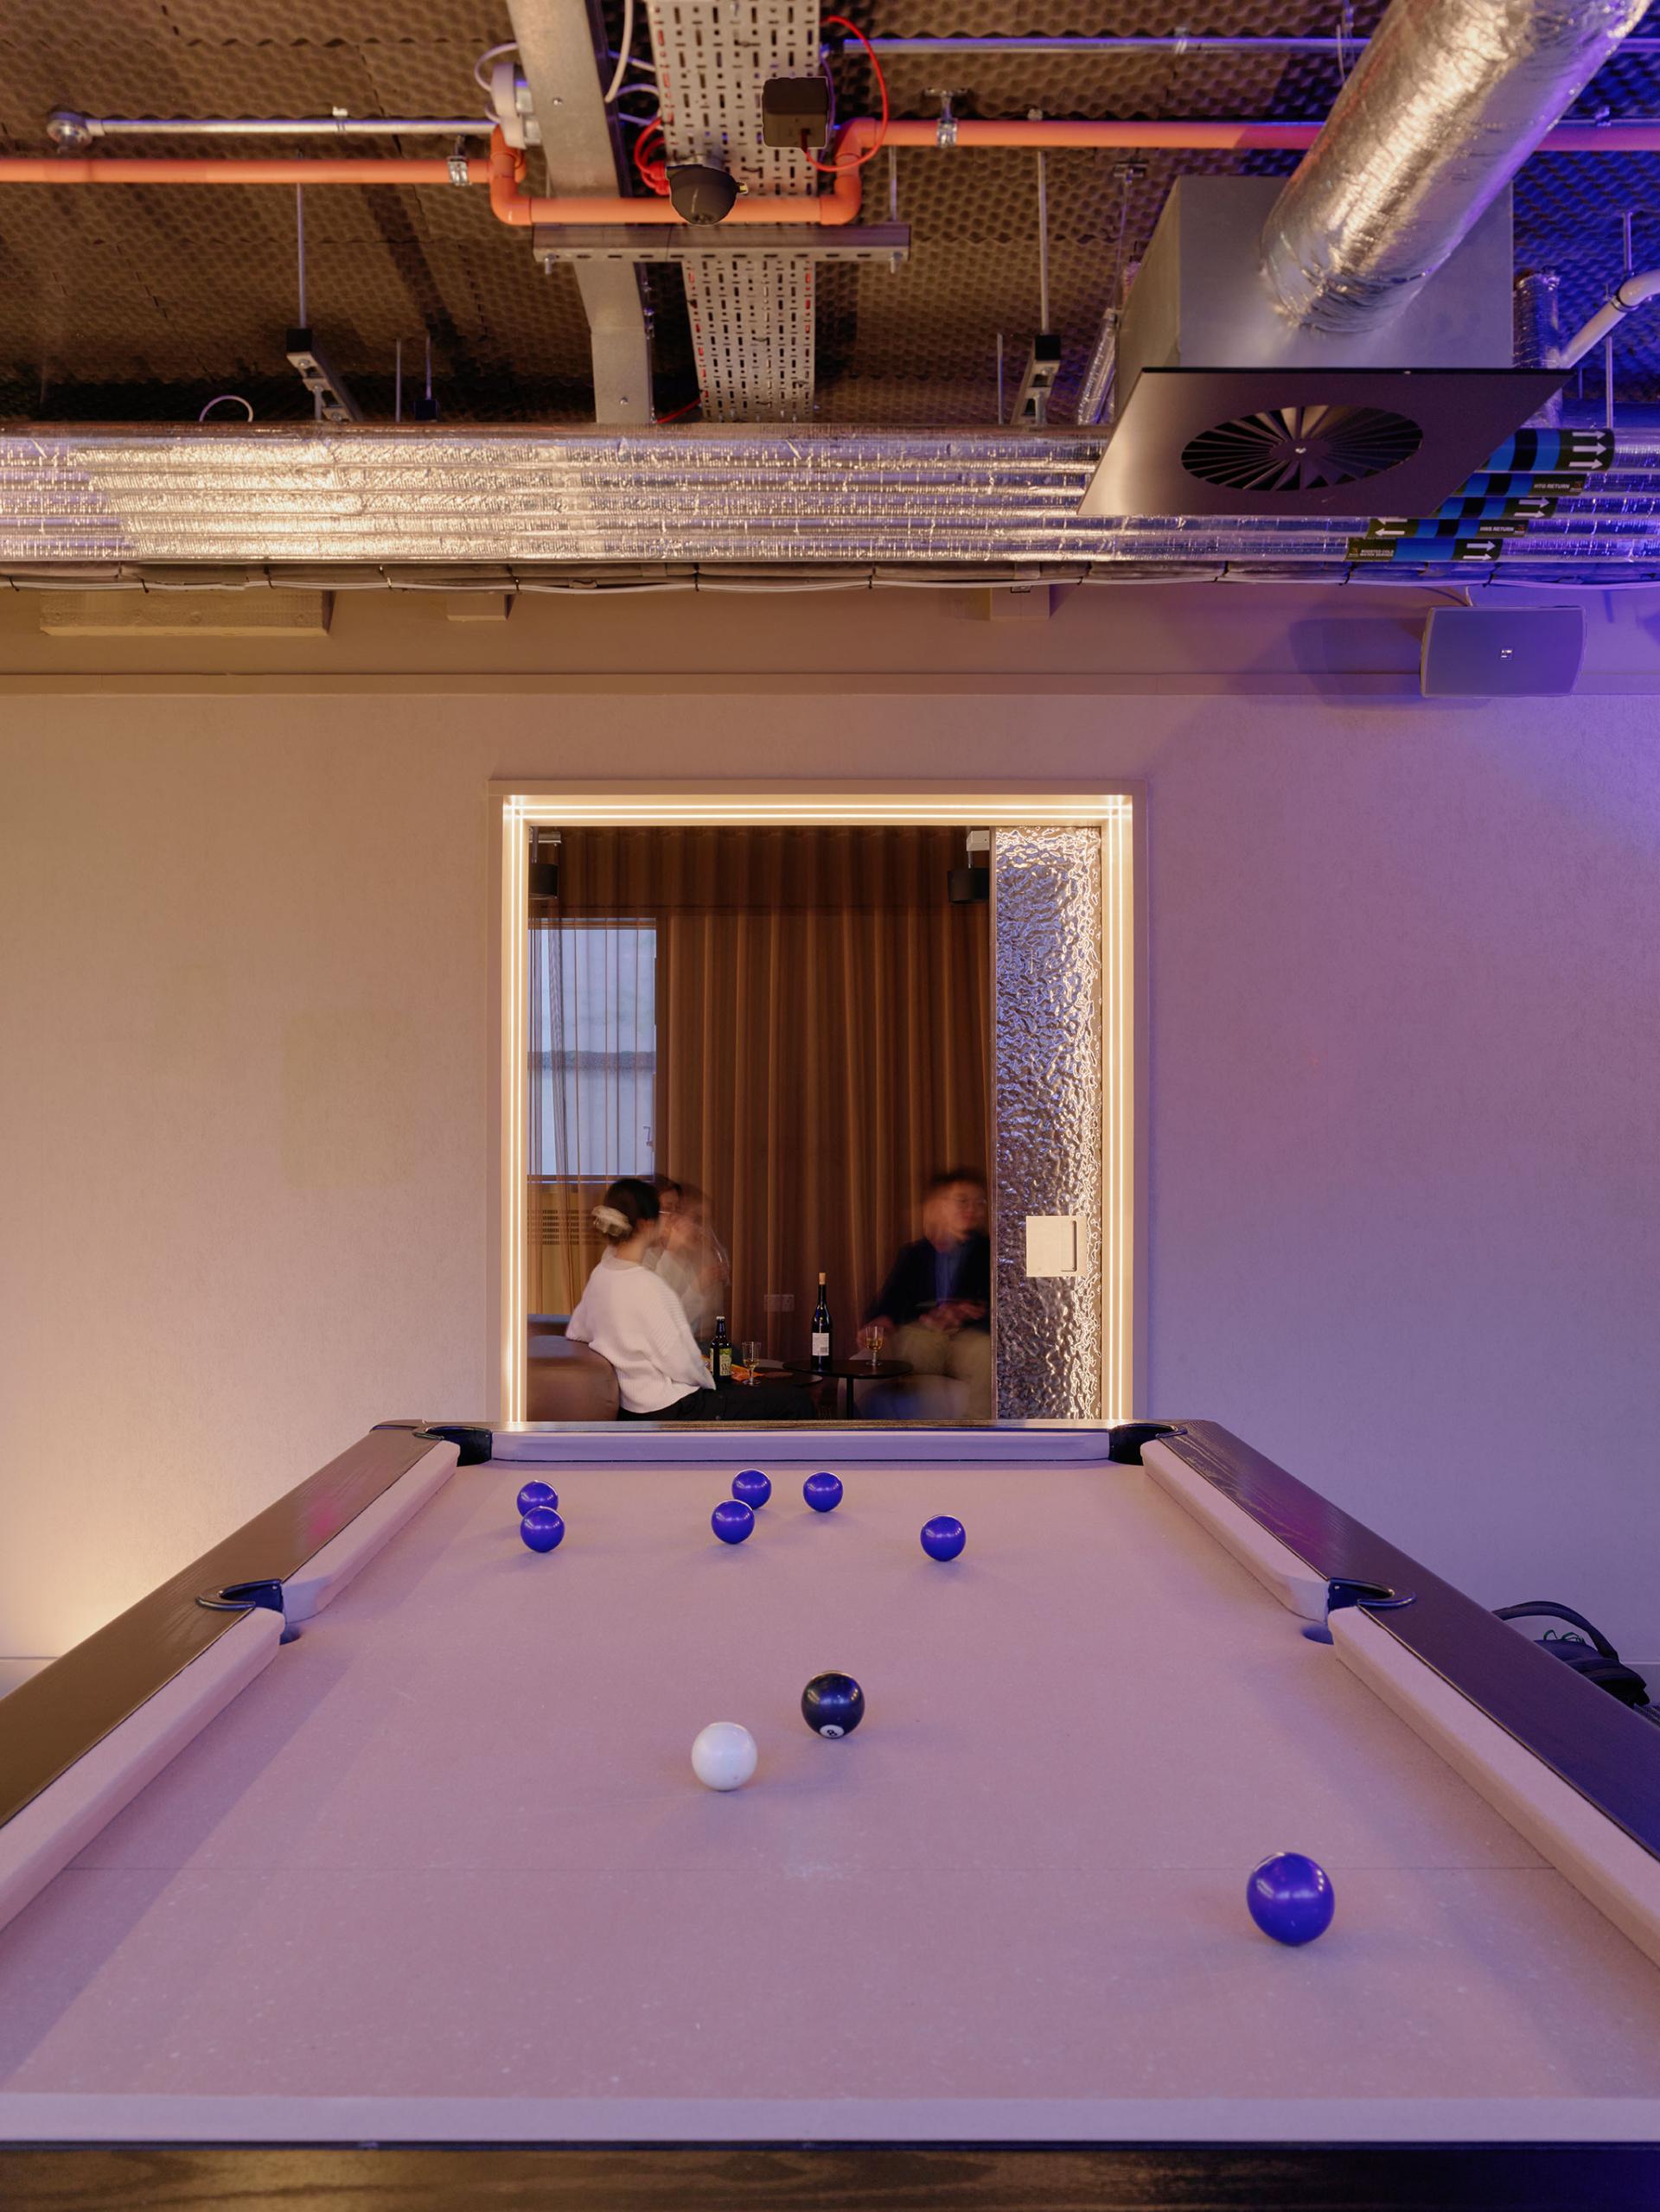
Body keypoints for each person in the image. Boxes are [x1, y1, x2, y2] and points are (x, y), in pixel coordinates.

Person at [568, 1178, 810, 1422]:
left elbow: (577, 1332)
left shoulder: (602, 1274)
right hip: (671, 1405)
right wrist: (711, 1382)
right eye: (664, 1213)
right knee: (796, 1402)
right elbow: (682, 1364)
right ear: (646, 1224)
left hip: (633, 1405)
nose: (671, 1220)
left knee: (751, 1389)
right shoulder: (648, 1285)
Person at [861, 1170, 994, 1420]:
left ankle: (977, 1434)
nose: (973, 1208)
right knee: (915, 1343)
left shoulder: (993, 1252)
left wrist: (965, 1312)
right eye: (962, 1201)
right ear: (941, 1206)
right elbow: (890, 1301)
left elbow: (1005, 1308)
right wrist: (881, 1319)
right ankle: (918, 1432)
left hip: (970, 1335)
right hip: (926, 1333)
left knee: (985, 1352)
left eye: (980, 1202)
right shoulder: (914, 1254)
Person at [645, 1175, 731, 1342]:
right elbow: (662, 1320)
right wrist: (699, 1285)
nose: (676, 1217)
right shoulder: (641, 1256)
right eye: (668, 1208)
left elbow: (702, 1317)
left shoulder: (683, 1252)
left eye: (678, 1209)